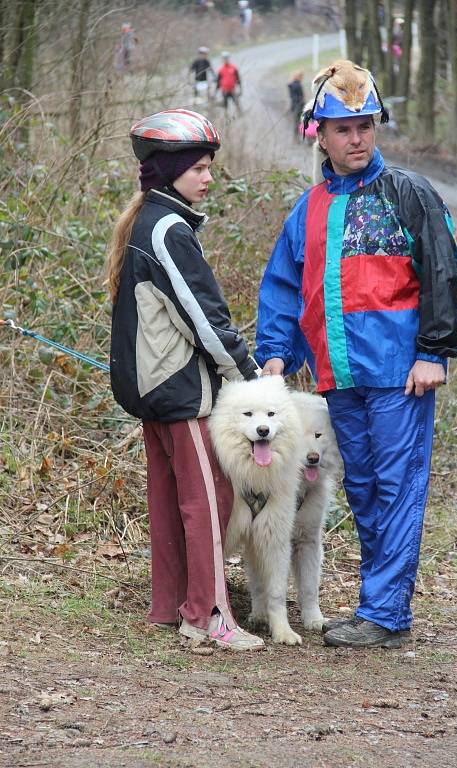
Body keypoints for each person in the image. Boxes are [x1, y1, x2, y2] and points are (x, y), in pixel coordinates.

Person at [255, 60, 457, 649]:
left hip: (402, 375)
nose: (357, 138)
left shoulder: (408, 192)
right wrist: (275, 353)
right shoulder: (310, 208)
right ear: (319, 133)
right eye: (344, 128)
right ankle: (379, 605)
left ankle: (386, 613)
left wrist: (434, 351)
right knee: (365, 487)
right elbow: (283, 286)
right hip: (338, 376)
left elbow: (444, 273)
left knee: (398, 487)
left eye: (365, 126)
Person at [107, 108, 264, 652]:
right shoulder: (170, 229)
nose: (208, 177)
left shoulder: (149, 219)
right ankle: (210, 616)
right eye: (199, 166)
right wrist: (248, 378)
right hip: (182, 395)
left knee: (173, 502)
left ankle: (171, 604)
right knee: (208, 503)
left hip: (153, 392)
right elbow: (205, 319)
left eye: (209, 166)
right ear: (169, 168)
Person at [287, 71, 305, 141]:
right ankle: (298, 138)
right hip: (299, 106)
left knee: (295, 122)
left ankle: (295, 138)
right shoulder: (298, 85)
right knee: (300, 122)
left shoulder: (290, 85)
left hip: (293, 106)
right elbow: (301, 97)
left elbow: (291, 97)